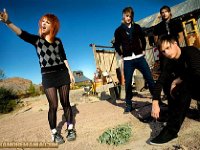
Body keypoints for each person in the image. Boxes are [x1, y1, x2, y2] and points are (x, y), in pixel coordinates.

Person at [0, 9, 76, 144]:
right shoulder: (36, 40)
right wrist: (7, 22)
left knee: (66, 103)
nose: (44, 24)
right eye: (42, 21)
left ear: (53, 26)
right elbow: (21, 33)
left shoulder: (58, 41)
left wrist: (70, 73)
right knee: (53, 105)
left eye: (47, 22)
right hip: (48, 77)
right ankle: (54, 133)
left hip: (62, 73)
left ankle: (70, 128)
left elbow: (64, 57)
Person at [150, 35, 200, 145]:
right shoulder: (170, 62)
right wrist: (155, 101)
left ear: (175, 44)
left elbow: (197, 71)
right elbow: (160, 81)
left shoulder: (191, 51)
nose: (166, 53)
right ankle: (172, 120)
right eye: (163, 51)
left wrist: (178, 80)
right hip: (194, 88)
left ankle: (171, 131)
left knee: (184, 85)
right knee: (169, 83)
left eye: (168, 48)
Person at [113, 7, 155, 113]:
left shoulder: (137, 27)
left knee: (149, 78)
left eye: (130, 16)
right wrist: (121, 53)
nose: (128, 18)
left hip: (139, 57)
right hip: (128, 60)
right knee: (128, 83)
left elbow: (142, 38)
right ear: (123, 16)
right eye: (126, 16)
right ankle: (128, 104)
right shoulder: (118, 30)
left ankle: (156, 99)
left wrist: (143, 49)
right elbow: (117, 44)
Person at [153, 5, 184, 102]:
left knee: (180, 71)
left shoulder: (176, 22)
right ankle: (167, 93)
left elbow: (181, 36)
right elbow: (156, 39)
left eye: (165, 11)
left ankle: (181, 91)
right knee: (165, 73)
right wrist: (162, 51)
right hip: (165, 54)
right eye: (162, 12)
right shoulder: (158, 27)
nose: (164, 13)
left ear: (169, 12)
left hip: (176, 52)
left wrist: (177, 47)